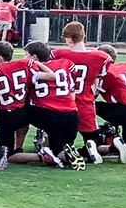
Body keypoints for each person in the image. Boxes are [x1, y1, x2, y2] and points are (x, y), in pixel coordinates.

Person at [0, 41, 58, 169]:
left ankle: (38, 156)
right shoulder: (24, 64)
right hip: (23, 112)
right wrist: (36, 62)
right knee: (24, 123)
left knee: (5, 153)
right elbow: (52, 76)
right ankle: (19, 147)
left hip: (5, 116)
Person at [51, 21, 112, 164]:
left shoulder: (59, 54)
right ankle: (90, 147)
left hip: (64, 102)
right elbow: (97, 82)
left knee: (60, 140)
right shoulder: (100, 57)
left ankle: (61, 152)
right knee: (91, 136)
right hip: (85, 100)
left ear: (69, 39)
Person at [23, 41, 85, 169]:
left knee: (19, 111)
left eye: (26, 55)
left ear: (34, 57)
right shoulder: (65, 64)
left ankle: (15, 147)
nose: (25, 58)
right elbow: (72, 91)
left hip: (49, 114)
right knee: (64, 145)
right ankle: (82, 153)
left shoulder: (32, 67)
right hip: (72, 114)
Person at [92, 45, 126, 164]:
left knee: (89, 106)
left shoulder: (107, 73)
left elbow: (94, 94)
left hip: (124, 111)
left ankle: (94, 138)